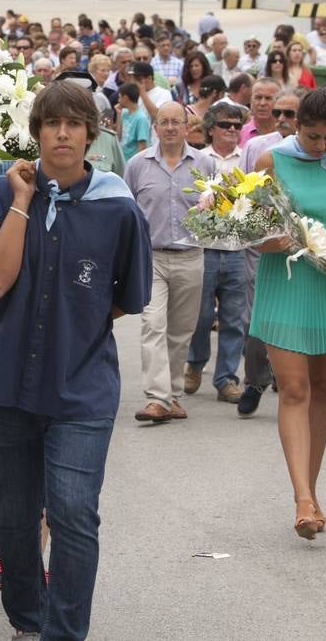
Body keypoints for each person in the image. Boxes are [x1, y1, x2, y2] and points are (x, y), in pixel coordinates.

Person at [0, 81, 151, 639]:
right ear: (37, 133)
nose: (63, 133)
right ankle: (28, 619)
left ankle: (64, 632)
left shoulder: (117, 206)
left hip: (81, 388)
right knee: (18, 521)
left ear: (91, 135)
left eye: (74, 123)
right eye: (52, 124)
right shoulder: (0, 196)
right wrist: (23, 204)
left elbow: (126, 296)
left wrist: (78, 325)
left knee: (73, 513)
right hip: (6, 388)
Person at [248, 90, 326, 538]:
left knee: (322, 387)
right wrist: (273, 241)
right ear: (295, 126)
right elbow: (250, 232)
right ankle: (301, 498)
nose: (320, 145)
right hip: (285, 281)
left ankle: (312, 492)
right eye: (311, 136)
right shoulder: (268, 161)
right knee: (294, 389)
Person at [123, 102, 213, 422]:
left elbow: (219, 210)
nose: (171, 127)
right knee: (153, 324)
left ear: (187, 127)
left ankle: (172, 395)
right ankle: (156, 398)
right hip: (152, 258)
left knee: (180, 330)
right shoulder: (136, 165)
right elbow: (126, 211)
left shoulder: (205, 164)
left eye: (177, 122)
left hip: (191, 256)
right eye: (165, 122)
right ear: (155, 127)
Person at [187, 101, 249, 404]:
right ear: (211, 129)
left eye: (237, 125)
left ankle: (226, 378)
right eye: (226, 125)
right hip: (205, 248)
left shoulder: (247, 158)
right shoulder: (197, 159)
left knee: (233, 318)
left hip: (236, 249)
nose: (233, 130)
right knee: (199, 317)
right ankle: (195, 364)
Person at [116, 83, 149, 161]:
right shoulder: (124, 113)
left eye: (119, 97)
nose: (118, 100)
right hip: (123, 159)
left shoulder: (141, 118)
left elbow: (142, 145)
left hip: (132, 161)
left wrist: (136, 164)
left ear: (125, 98)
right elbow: (118, 137)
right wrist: (118, 114)